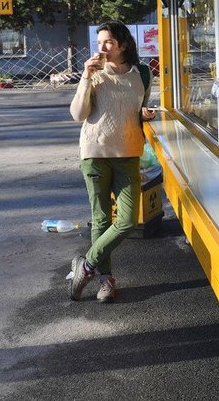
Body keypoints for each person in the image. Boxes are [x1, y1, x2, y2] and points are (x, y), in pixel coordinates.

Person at [68, 21, 156, 303]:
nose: (102, 48)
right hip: (94, 153)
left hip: (128, 153)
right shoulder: (94, 74)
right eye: (100, 42)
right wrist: (85, 77)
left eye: (108, 42)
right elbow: (78, 114)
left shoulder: (141, 72)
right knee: (101, 219)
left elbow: (138, 107)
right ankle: (105, 281)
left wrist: (146, 114)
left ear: (123, 45)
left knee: (127, 220)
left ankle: (86, 265)